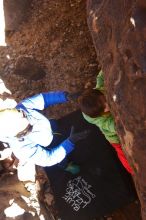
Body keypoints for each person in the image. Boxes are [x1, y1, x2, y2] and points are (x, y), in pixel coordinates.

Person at [0, 91, 88, 180]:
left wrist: (66, 96)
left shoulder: (23, 107)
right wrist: (70, 142)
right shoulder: (22, 149)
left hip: (51, 127)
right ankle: (65, 165)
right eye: (28, 128)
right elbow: (49, 158)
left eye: (25, 116)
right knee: (61, 158)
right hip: (49, 146)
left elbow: (44, 99)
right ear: (17, 135)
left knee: (60, 129)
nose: (31, 123)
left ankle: (65, 139)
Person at [78, 70, 134, 175]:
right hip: (114, 137)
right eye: (104, 109)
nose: (107, 105)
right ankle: (132, 171)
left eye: (105, 100)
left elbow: (100, 77)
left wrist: (104, 70)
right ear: (99, 114)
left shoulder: (99, 90)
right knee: (121, 153)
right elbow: (113, 126)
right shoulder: (100, 119)